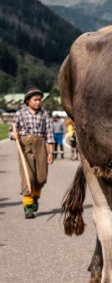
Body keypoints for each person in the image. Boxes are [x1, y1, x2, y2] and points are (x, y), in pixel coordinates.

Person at [11, 87, 54, 218]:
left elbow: (49, 134)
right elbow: (11, 130)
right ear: (27, 100)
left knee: (41, 178)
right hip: (25, 146)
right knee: (27, 177)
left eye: (39, 100)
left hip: (40, 145)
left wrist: (50, 152)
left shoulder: (44, 114)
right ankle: (28, 207)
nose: (38, 102)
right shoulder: (20, 114)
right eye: (35, 100)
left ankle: (35, 197)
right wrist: (13, 135)